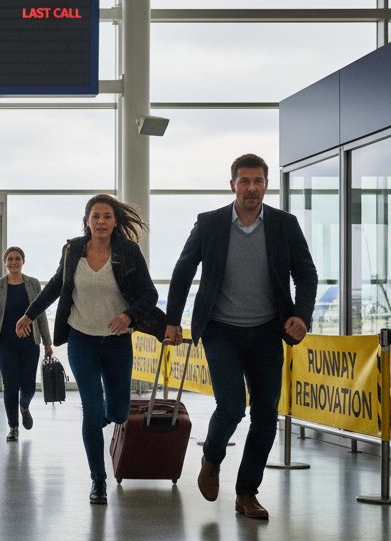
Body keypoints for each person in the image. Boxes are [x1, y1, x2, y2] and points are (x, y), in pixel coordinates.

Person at [164, 154, 317, 520]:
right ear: (232, 184)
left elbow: (307, 274)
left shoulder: (284, 224)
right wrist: (172, 321)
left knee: (266, 415)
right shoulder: (210, 223)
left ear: (266, 184)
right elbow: (183, 270)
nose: (251, 188)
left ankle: (247, 492)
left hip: (267, 331)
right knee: (231, 407)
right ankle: (211, 457)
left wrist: (302, 315)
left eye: (258, 181)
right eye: (244, 181)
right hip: (221, 331)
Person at [17, 194, 158, 504]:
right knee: (92, 412)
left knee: (118, 411)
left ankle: (102, 419)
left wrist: (128, 315)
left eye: (107, 216)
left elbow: (150, 294)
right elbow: (55, 285)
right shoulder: (73, 251)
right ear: (87, 221)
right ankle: (98, 480)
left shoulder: (127, 252)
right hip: (82, 339)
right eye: (95, 216)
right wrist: (29, 314)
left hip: (118, 342)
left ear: (115, 222)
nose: (101, 222)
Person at [0, 246, 53, 442]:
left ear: (23, 261)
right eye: (10, 259)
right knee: (10, 384)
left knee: (27, 385)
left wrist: (47, 342)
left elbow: (41, 313)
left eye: (17, 258)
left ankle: (24, 406)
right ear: (5, 263)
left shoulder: (33, 284)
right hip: (4, 343)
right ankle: (13, 427)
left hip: (29, 343)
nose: (14, 262)